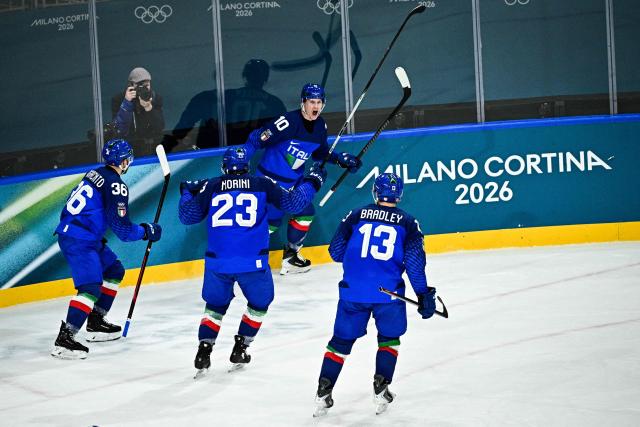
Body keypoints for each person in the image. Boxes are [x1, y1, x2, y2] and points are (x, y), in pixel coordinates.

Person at [177, 147, 327, 376]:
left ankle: (204, 350)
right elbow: (295, 204)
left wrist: (187, 191)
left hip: (218, 263)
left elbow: (187, 216)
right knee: (259, 304)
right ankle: (241, 347)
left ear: (224, 167)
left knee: (215, 306)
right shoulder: (262, 184)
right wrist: (312, 181)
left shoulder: (212, 185)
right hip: (252, 262)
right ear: (247, 166)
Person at [312, 173, 437, 417]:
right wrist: (423, 294)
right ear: (399, 195)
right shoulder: (409, 223)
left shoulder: (356, 214)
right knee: (389, 338)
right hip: (388, 295)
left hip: (353, 292)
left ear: (375, 192)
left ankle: (323, 390)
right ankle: (381, 388)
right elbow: (413, 264)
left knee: (340, 343)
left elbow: (335, 252)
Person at [51, 139, 163, 360]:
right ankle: (65, 338)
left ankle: (95, 321)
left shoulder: (95, 173)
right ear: (123, 161)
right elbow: (122, 229)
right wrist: (146, 230)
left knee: (114, 271)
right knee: (91, 287)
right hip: (80, 239)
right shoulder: (116, 185)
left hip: (80, 235)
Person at [242, 83, 361, 275]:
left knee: (305, 211)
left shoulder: (321, 125)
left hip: (293, 184)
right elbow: (258, 138)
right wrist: (243, 154)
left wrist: (340, 159)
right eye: (311, 102)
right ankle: (245, 259)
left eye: (319, 102)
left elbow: (320, 152)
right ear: (303, 102)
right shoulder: (287, 122)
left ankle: (290, 257)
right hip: (269, 182)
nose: (315, 106)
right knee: (271, 223)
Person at [112, 67, 165, 155]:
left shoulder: (155, 98)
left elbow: (159, 127)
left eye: (147, 85)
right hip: (129, 150)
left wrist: (149, 108)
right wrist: (127, 103)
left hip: (153, 149)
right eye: (140, 85)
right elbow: (119, 129)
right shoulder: (119, 100)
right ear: (131, 85)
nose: (144, 88)